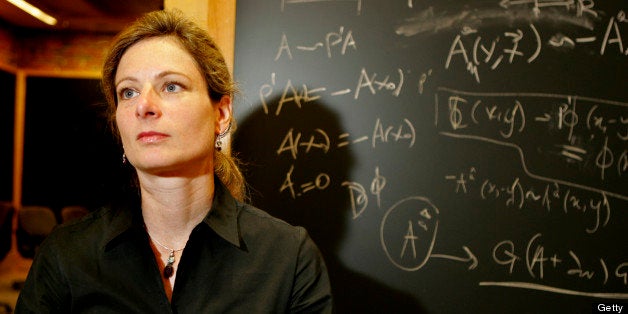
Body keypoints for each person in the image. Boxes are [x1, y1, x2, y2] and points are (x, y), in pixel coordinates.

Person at [15, 10, 332, 313]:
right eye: (128, 92)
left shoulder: (288, 258)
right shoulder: (65, 255)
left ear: (220, 114)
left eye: (171, 86)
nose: (144, 106)